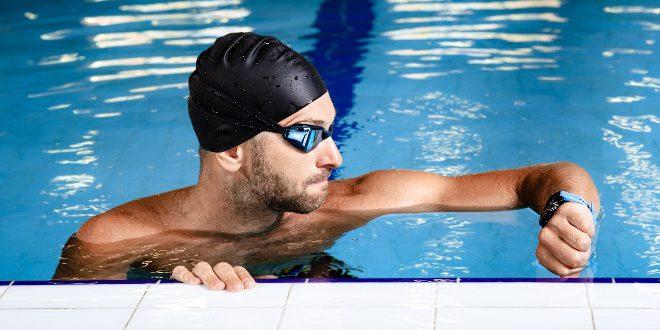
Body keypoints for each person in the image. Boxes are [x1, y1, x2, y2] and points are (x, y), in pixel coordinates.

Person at [54, 32, 601, 291]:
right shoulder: (109, 242)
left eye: (330, 130)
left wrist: (569, 209)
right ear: (231, 150)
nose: (334, 157)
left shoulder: (353, 203)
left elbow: (546, 176)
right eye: (307, 137)